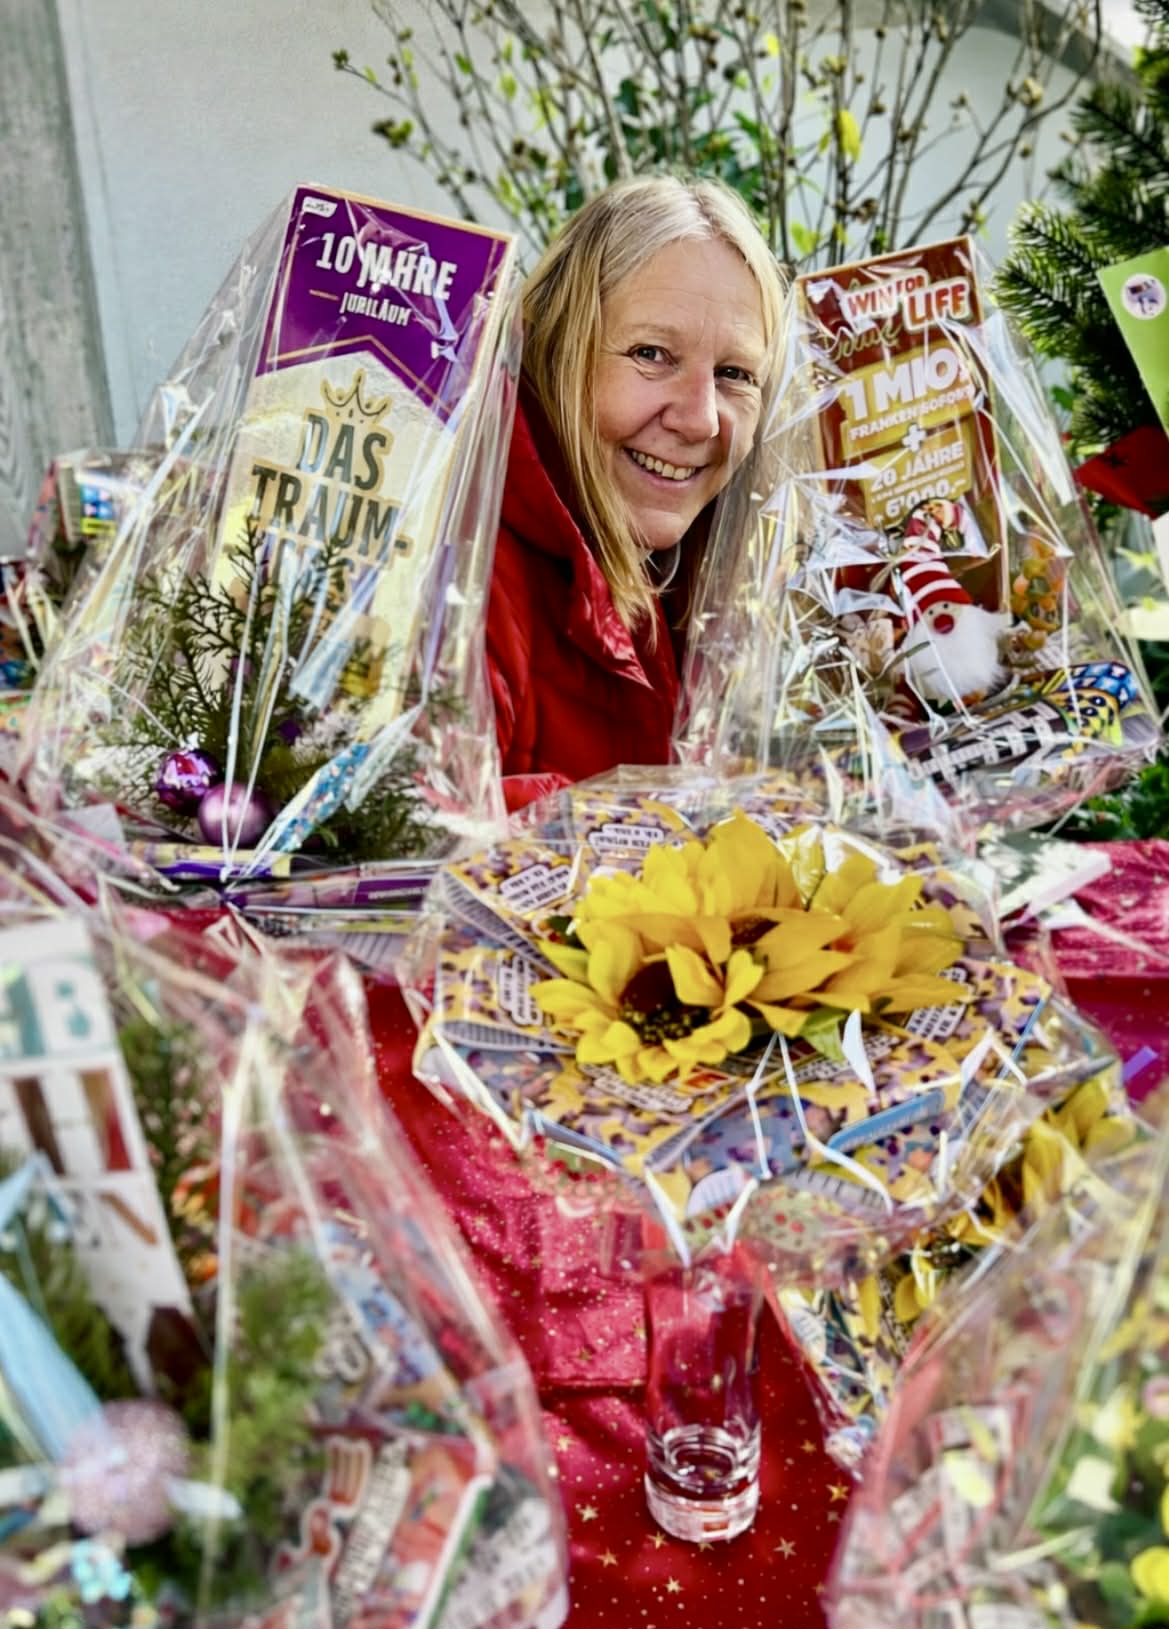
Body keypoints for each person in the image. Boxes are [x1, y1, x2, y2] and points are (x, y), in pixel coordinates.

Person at [486, 173, 788, 812]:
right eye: (653, 354)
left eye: (735, 374)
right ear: (559, 351)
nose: (701, 418)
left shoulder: (715, 587)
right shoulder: (467, 574)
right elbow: (413, 851)